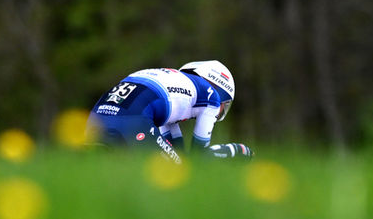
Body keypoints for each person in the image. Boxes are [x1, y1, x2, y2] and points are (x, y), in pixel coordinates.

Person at [85, 60, 253, 163]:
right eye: (226, 105)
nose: (220, 112)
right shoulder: (212, 97)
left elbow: (176, 151)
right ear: (220, 91)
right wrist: (236, 150)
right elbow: (196, 160)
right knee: (178, 174)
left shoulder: (173, 85)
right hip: (134, 119)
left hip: (95, 118)